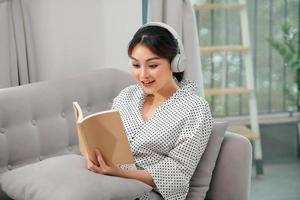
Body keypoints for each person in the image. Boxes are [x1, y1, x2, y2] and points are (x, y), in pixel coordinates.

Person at [86, 22, 213, 200]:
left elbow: (177, 173)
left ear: (175, 63)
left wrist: (119, 173)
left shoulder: (195, 108)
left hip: (149, 192)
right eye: (136, 65)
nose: (143, 75)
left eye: (152, 66)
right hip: (109, 180)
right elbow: (109, 142)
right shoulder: (126, 96)